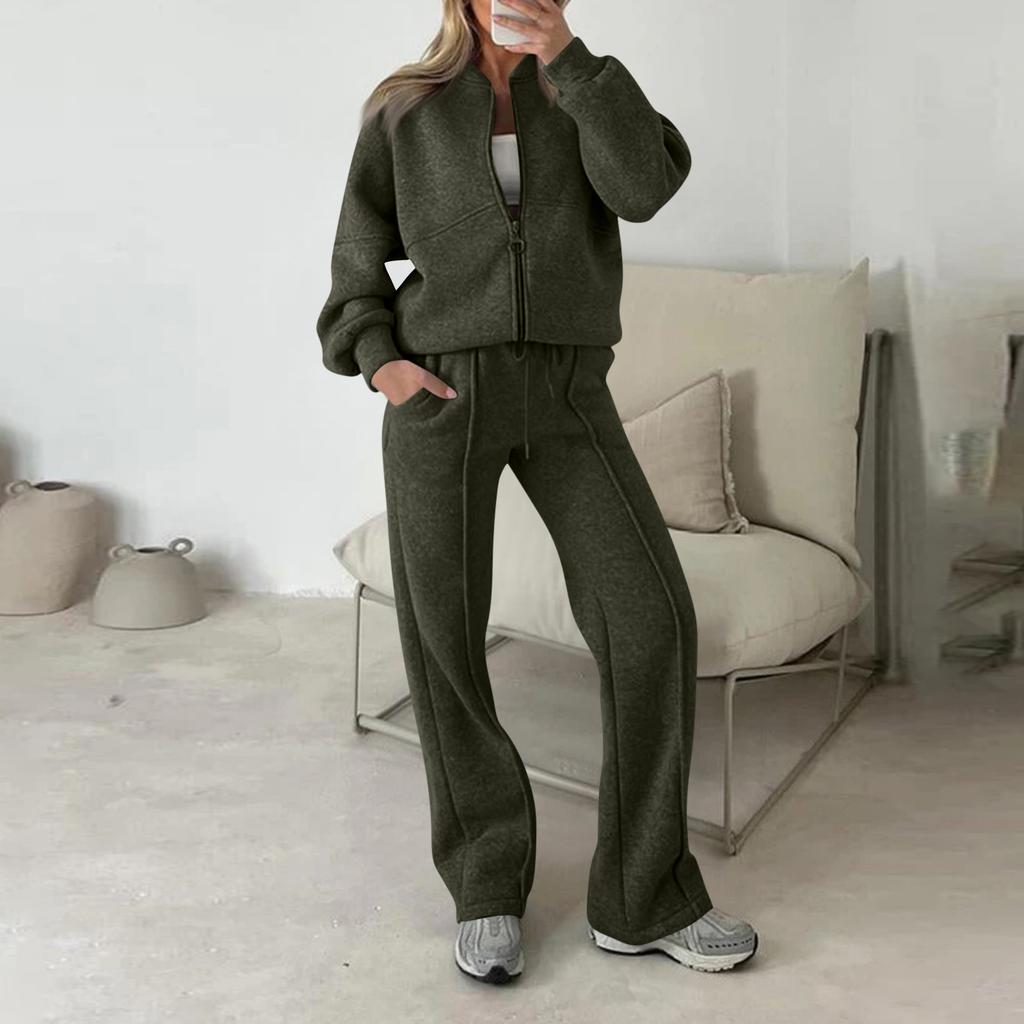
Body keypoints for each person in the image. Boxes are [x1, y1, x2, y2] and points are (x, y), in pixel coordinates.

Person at [316, 0, 758, 984]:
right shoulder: (405, 106)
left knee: (650, 621)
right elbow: (355, 257)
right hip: (443, 390)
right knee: (443, 637)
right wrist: (382, 361)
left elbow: (645, 188)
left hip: (567, 390)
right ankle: (485, 882)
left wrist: (571, 62)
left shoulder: (585, 86)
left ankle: (643, 897)